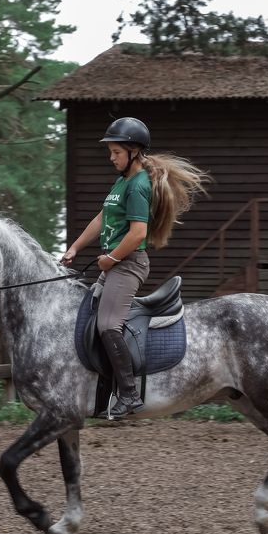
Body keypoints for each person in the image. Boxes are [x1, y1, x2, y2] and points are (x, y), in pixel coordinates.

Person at [60, 117, 209, 419]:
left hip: (128, 265)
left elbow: (138, 233)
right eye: (111, 152)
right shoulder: (121, 181)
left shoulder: (139, 185)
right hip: (115, 263)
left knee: (107, 325)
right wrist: (75, 247)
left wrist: (111, 258)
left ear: (133, 152)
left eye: (116, 152)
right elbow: (101, 219)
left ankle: (129, 394)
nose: (111, 157)